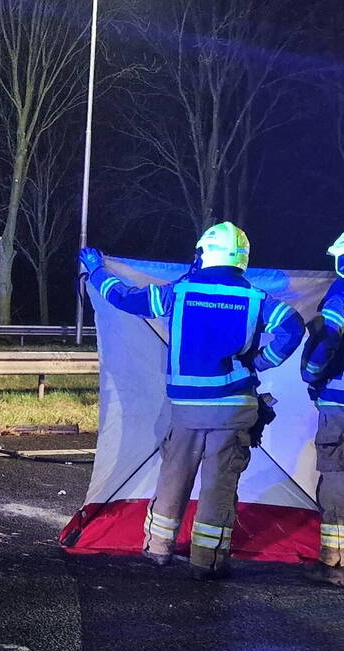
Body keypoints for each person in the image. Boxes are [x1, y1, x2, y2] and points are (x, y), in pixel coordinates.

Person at [80, 222, 304, 580]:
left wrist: (96, 270)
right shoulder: (256, 298)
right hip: (233, 409)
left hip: (186, 409)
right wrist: (261, 361)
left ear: (205, 253)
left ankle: (158, 548)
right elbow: (292, 328)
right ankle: (207, 561)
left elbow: (126, 298)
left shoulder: (181, 291)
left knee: (174, 476)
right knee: (218, 486)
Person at [300, 232, 344, 586]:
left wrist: (312, 373)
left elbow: (328, 338)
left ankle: (335, 561)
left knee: (336, 475)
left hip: (339, 402)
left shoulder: (341, 293)